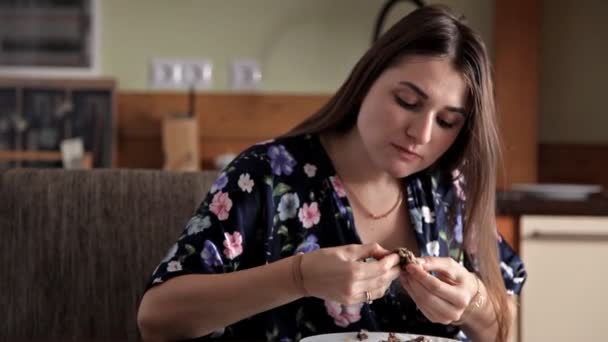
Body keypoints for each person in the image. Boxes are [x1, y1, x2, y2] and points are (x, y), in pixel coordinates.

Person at [137, 5, 527, 342]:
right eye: (407, 101)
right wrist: (297, 278)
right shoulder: (268, 175)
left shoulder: (448, 192)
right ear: (367, 79)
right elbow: (156, 319)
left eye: (447, 121)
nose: (421, 135)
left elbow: (502, 327)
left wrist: (472, 303)